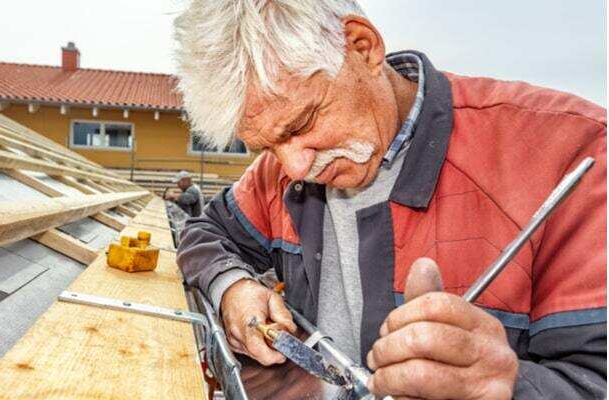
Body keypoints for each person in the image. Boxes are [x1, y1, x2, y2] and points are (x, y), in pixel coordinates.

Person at [173, 1, 606, 399]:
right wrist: (232, 286)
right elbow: (205, 231)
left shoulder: (571, 153)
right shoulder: (284, 168)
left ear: (362, 47)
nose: (297, 169)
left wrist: (507, 387)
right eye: (266, 147)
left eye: (301, 124)